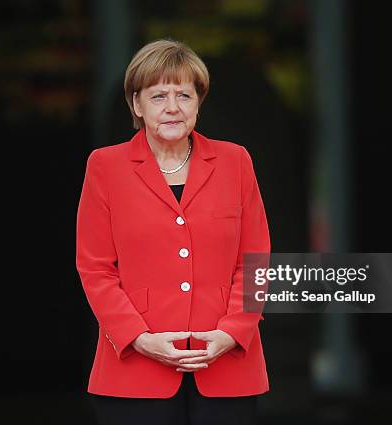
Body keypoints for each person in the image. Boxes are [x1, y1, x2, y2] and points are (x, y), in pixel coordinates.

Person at [76, 39, 270, 425]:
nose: (172, 107)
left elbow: (256, 261)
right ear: (136, 105)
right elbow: (95, 268)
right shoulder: (105, 166)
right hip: (133, 369)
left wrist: (232, 333)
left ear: (199, 102)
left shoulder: (235, 161)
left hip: (225, 366)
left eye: (184, 94)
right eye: (158, 95)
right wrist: (138, 338)